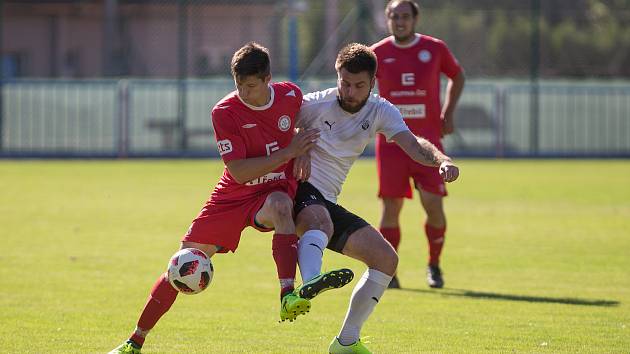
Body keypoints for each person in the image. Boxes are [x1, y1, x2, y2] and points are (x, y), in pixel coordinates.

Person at [109, 42, 353, 354]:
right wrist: (291, 151)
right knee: (181, 265)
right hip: (233, 196)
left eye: (250, 86)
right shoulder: (225, 112)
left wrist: (303, 153)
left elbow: (305, 122)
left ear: (268, 79)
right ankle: (135, 341)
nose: (243, 93)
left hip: (273, 190)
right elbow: (238, 172)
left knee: (281, 206)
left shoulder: (291, 94)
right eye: (238, 85)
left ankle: (287, 295)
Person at [293, 43, 460, 354]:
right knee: (319, 219)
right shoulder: (315, 104)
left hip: (326, 200)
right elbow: (276, 126)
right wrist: (296, 149)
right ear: (337, 76)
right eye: (345, 83)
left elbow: (414, 144)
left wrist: (441, 160)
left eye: (359, 85)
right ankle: (308, 283)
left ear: (373, 82)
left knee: (386, 260)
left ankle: (346, 342)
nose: (351, 92)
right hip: (299, 191)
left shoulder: (381, 110)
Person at [370, 0, 465, 289]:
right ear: (387, 19)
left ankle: (434, 265)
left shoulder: (434, 48)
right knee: (390, 208)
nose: (400, 22)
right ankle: (389, 271)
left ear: (415, 19)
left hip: (429, 145)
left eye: (405, 17)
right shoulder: (376, 53)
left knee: (433, 205)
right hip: (390, 145)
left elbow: (457, 76)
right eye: (394, 17)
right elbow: (360, 89)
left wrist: (447, 113)